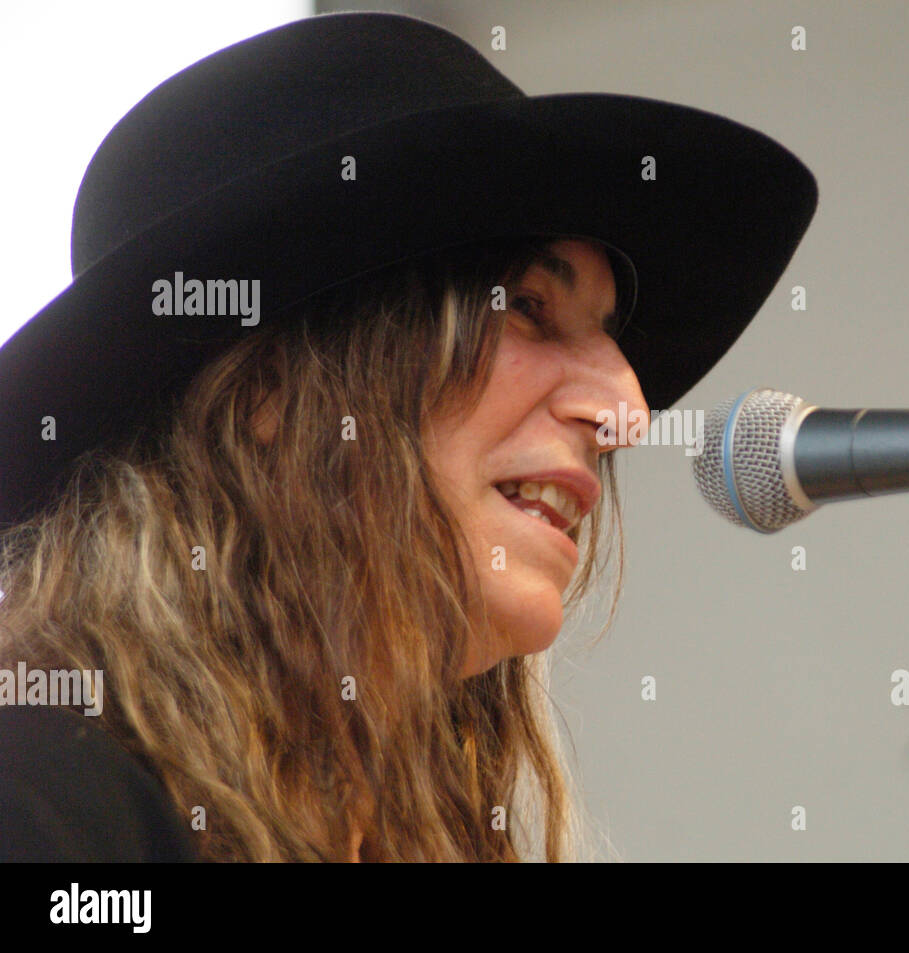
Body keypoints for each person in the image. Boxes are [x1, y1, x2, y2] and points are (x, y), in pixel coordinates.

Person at [0, 12, 816, 861]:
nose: (626, 411)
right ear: (269, 389)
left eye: (607, 338)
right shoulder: (44, 809)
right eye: (530, 308)